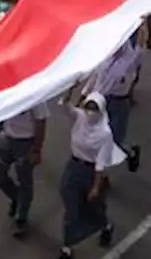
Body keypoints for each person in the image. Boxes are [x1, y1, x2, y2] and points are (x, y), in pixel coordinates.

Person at [56, 89, 121, 258]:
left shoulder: (105, 134)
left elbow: (101, 163)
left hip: (90, 172)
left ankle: (105, 225)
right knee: (70, 205)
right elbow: (63, 105)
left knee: (94, 207)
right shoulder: (79, 117)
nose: (90, 112)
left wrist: (95, 186)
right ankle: (67, 245)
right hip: (74, 166)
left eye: (95, 108)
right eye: (88, 107)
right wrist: (70, 88)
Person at [0, 96, 47, 237]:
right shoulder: (10, 90)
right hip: (6, 138)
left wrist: (37, 150)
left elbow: (41, 121)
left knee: (25, 181)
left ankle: (21, 217)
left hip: (25, 143)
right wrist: (0, 130)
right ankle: (17, 198)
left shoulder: (35, 94)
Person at [92, 26, 147, 173]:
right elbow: (96, 78)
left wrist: (142, 33)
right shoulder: (105, 59)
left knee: (114, 139)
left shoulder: (130, 60)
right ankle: (100, 173)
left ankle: (130, 151)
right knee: (96, 135)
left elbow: (140, 51)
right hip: (101, 99)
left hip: (119, 102)